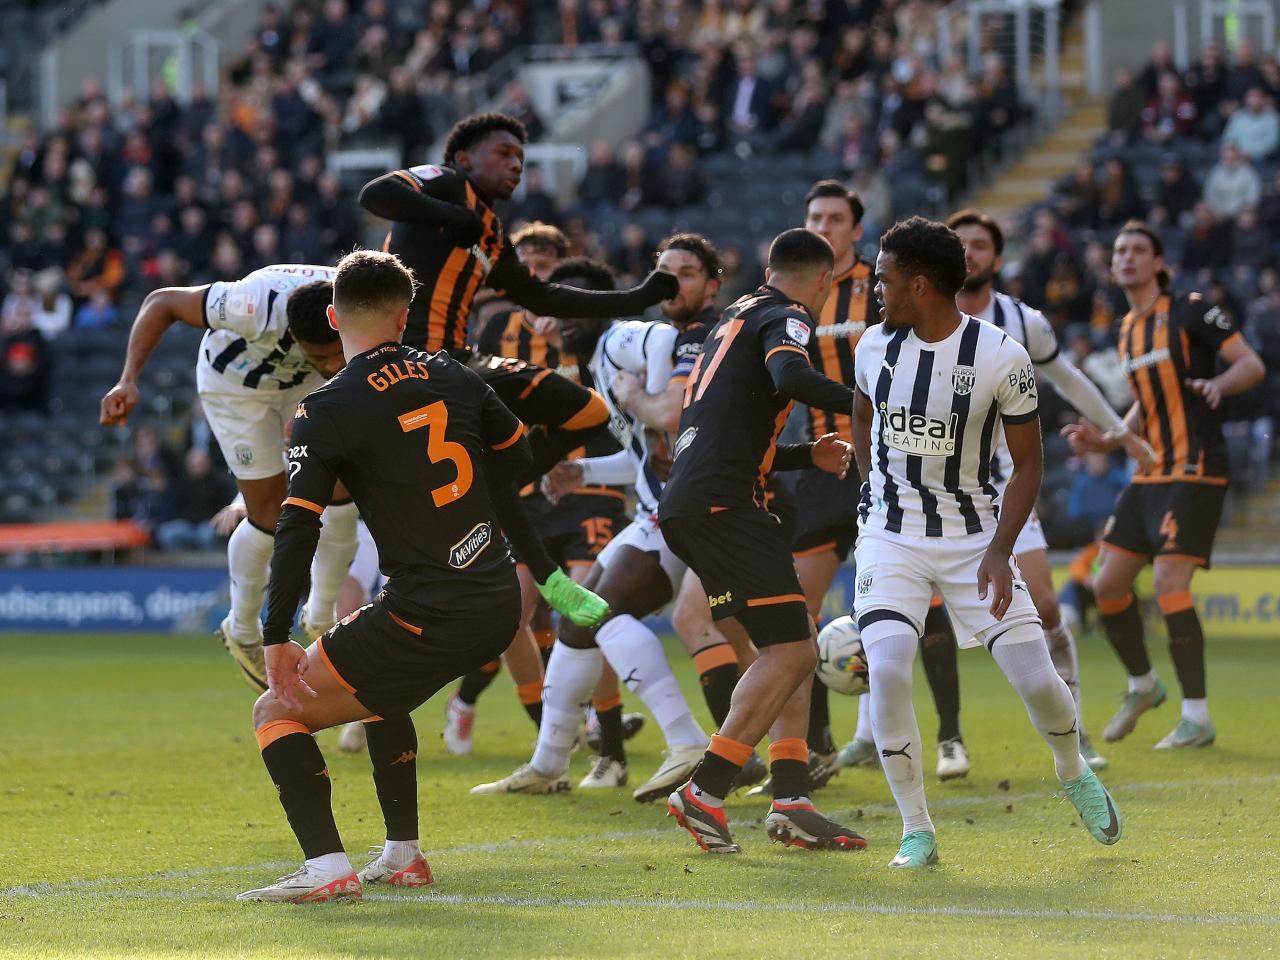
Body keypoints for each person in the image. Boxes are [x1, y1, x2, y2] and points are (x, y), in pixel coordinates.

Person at [237, 250, 530, 903]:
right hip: (497, 602)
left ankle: (326, 867)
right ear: (404, 315)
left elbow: (298, 525)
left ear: (334, 316)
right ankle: (402, 856)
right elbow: (519, 450)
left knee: (274, 712)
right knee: (380, 695)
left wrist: (276, 630)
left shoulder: (327, 408)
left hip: (425, 610)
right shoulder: (453, 373)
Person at [850, 217, 1123, 869]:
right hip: (890, 536)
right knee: (886, 671)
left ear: (920, 285)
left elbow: (1029, 464)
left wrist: (1000, 551)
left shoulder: (1001, 355)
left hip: (975, 540)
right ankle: (917, 829)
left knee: (1037, 683)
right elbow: (860, 413)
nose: (874, 290)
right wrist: (869, 489)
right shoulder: (870, 348)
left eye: (883, 279)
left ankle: (1070, 765)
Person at [472, 240, 722, 803]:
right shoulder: (600, 362)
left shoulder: (621, 338)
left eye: (572, 305)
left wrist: (653, 406)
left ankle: (686, 741)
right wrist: (583, 472)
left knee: (601, 613)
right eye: (557, 307)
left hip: (684, 508)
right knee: (577, 621)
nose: (560, 318)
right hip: (660, 506)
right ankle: (548, 761)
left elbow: (666, 345)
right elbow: (639, 456)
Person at [659, 228, 867, 854]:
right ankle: (706, 788)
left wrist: (807, 453)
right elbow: (790, 374)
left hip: (698, 498)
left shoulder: (735, 317)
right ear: (826, 282)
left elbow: (732, 425)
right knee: (793, 654)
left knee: (791, 646)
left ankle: (792, 798)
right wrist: (869, 406)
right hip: (726, 505)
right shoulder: (788, 315)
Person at [947, 207, 1159, 771]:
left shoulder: (1022, 321)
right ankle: (897, 735)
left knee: (1043, 604)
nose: (969, 253)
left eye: (980, 245)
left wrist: (1120, 432)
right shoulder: (921, 317)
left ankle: (1076, 730)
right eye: (959, 243)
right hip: (933, 490)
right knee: (908, 618)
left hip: (1002, 484)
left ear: (997, 257)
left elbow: (1070, 379)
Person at [357, 112, 678, 480]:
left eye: (521, 159)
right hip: (406, 359)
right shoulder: (445, 181)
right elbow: (375, 194)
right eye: (504, 153)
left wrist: (635, 299)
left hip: (457, 361)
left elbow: (542, 297)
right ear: (464, 158)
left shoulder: (492, 232)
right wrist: (451, 215)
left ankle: (498, 492)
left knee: (589, 411)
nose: (516, 165)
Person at [98, 265, 356, 689]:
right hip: (235, 387)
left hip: (302, 387)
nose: (334, 361)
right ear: (292, 332)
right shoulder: (253, 303)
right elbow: (162, 302)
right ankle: (241, 627)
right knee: (270, 514)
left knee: (343, 489)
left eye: (338, 352)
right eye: (321, 354)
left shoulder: (357, 298)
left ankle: (322, 617)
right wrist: (128, 380)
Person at [1064, 221, 1264, 750]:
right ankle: (1143, 685)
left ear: (1158, 263)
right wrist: (1108, 441)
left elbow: (1251, 364)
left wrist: (1218, 384)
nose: (1126, 258)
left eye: (1137, 251)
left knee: (1171, 584)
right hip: (1150, 473)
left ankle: (1196, 716)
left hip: (1196, 468)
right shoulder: (1128, 329)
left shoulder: (1191, 309)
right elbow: (1146, 405)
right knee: (1106, 587)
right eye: (1119, 250)